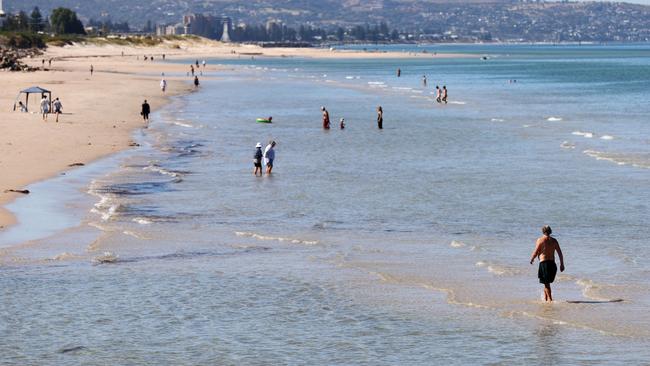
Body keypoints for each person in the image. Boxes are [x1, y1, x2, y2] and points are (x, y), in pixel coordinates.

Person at [530, 225, 565, 302]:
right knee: (546, 283)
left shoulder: (540, 240)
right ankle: (545, 299)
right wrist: (562, 264)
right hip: (552, 264)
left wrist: (532, 259)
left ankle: (550, 300)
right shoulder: (554, 241)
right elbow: (560, 253)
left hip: (544, 264)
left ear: (543, 231)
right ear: (550, 231)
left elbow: (536, 252)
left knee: (546, 283)